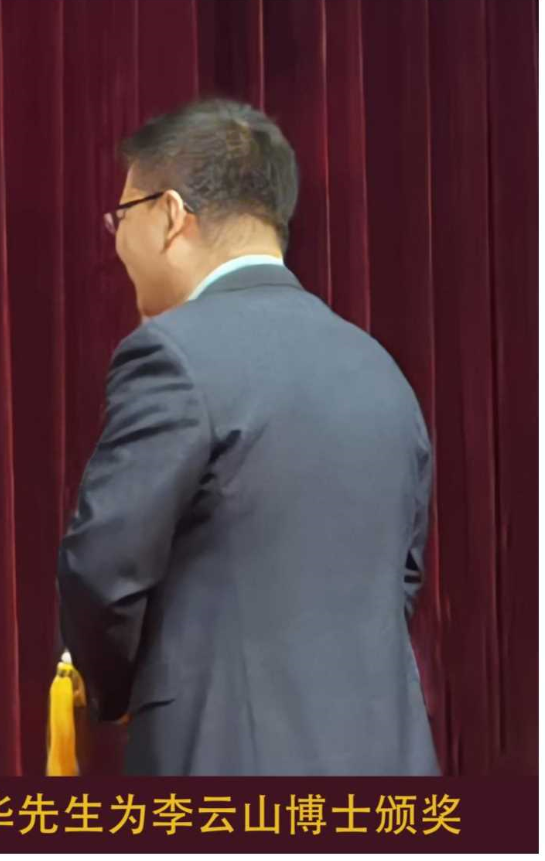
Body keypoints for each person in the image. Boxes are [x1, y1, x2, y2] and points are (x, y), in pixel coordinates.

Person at [57, 99, 438, 775]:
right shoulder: (381, 370)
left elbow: (103, 567)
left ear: (170, 214)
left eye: (122, 216)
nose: (116, 241)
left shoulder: (173, 355)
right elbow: (400, 581)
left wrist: (115, 691)